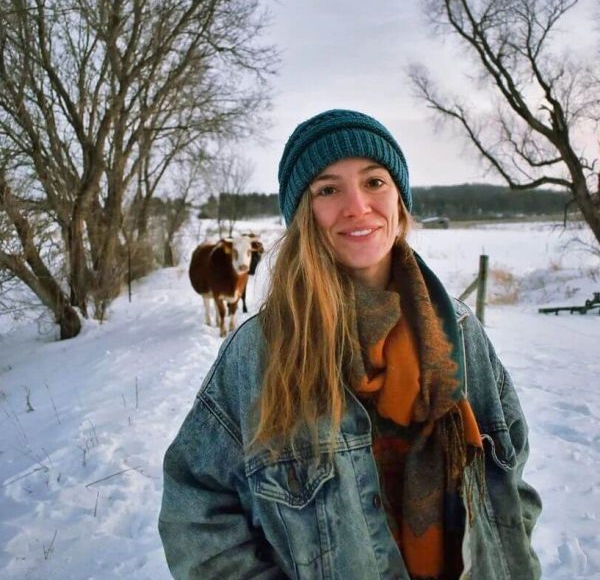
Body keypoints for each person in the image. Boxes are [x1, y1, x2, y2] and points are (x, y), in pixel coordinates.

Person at [158, 109, 542, 580]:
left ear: (399, 197)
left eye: (374, 181)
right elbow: (194, 511)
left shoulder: (461, 334)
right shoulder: (259, 355)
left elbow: (510, 474)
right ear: (304, 212)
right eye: (328, 188)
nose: (357, 205)